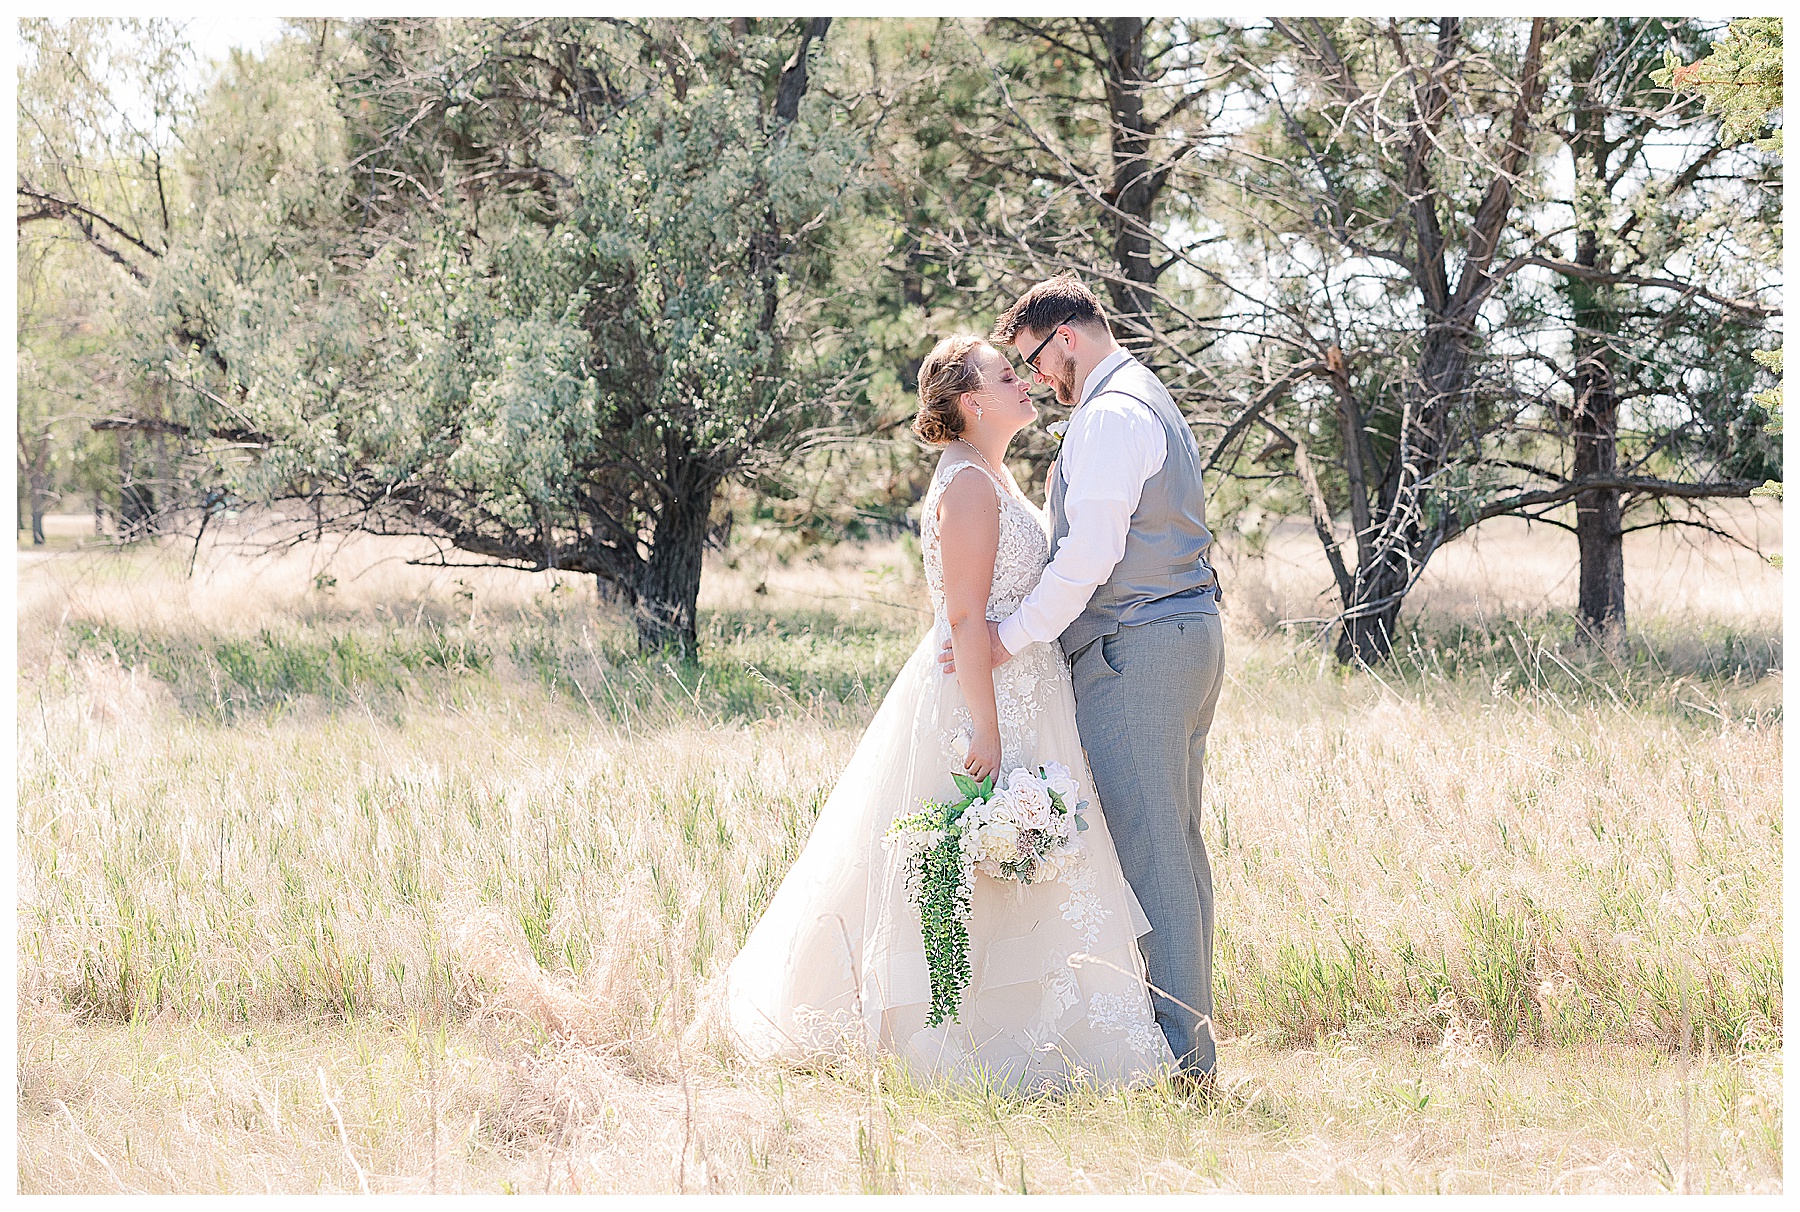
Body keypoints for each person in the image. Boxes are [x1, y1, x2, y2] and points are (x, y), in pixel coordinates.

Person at [725, 333, 1172, 1092]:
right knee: (964, 855)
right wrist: (987, 732)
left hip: (1026, 689)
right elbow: (965, 618)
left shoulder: (989, 474)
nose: (1025, 381)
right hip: (984, 700)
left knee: (1018, 858)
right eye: (1007, 376)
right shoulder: (966, 485)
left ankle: (1046, 1032)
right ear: (971, 402)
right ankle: (958, 1034)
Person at [943, 274, 1227, 1088]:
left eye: (1035, 362)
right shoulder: (1144, 395)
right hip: (1178, 636)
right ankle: (1190, 1041)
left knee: (1153, 858)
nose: (1037, 381)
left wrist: (1006, 640)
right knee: (1176, 850)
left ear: (1066, 336)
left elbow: (1087, 562)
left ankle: (1184, 1061)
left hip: (1137, 650)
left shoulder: (1107, 416)